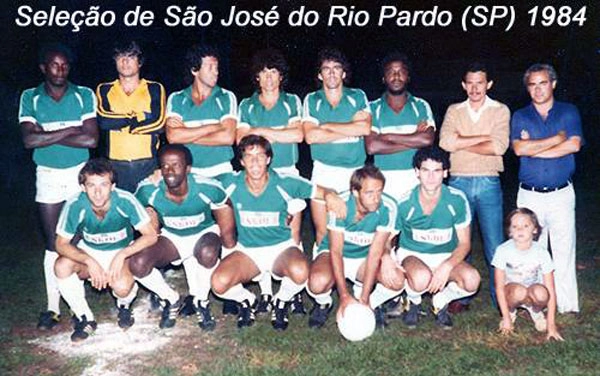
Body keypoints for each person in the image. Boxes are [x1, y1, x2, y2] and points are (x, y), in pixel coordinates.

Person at [211, 135, 343, 331]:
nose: (255, 162)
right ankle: (247, 300)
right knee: (219, 284)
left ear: (269, 159)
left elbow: (322, 191)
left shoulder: (286, 182)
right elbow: (195, 184)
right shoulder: (229, 182)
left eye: (260, 156)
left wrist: (331, 195)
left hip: (281, 248)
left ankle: (281, 300)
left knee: (301, 272)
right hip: (248, 251)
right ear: (241, 161)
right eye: (249, 156)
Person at [19, 43, 98, 330]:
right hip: (48, 173)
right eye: (54, 65)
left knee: (76, 238)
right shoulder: (30, 97)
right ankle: (52, 308)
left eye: (65, 65)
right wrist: (70, 130)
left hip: (79, 174)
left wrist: (47, 133)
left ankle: (79, 306)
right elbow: (29, 141)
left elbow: (91, 140)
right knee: (53, 243)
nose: (60, 70)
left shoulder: (83, 94)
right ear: (43, 68)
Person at [131, 144, 236, 330]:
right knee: (137, 263)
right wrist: (151, 221)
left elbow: (227, 209)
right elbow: (136, 215)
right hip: (172, 236)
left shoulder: (208, 187)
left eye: (176, 165)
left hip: (203, 233)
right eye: (164, 166)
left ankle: (201, 301)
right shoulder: (148, 189)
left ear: (187, 168)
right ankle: (171, 299)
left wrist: (229, 253)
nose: (169, 170)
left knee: (207, 251)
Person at [302, 47, 371, 323]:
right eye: (326, 69)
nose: (332, 74)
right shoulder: (312, 99)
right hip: (323, 172)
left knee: (354, 225)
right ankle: (323, 299)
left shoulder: (358, 96)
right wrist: (345, 125)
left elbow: (364, 129)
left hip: (353, 173)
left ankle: (356, 285)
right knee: (322, 233)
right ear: (320, 75)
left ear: (344, 72)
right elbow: (310, 138)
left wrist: (326, 128)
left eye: (336, 68)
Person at [53, 159, 157, 342]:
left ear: (113, 186)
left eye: (104, 185)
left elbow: (150, 235)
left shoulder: (125, 200)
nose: (98, 192)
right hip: (90, 250)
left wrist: (122, 254)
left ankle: (124, 305)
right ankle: (85, 317)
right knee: (61, 266)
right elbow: (61, 244)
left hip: (120, 250)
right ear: (83, 187)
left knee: (123, 288)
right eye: (91, 185)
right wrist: (89, 261)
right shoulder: (75, 204)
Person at [237, 48, 305, 315]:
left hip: (287, 172)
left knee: (292, 231)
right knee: (260, 229)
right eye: (264, 73)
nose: (269, 78)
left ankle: (293, 292)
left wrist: (260, 133)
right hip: (255, 175)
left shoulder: (292, 102)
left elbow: (298, 135)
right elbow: (241, 140)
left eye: (273, 72)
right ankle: (265, 292)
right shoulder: (247, 105)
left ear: (281, 76)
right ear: (257, 77)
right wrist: (278, 133)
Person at [511, 63, 583, 314]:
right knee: (531, 251)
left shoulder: (568, 111)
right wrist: (555, 140)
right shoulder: (520, 115)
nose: (538, 89)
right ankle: (534, 304)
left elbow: (573, 145)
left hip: (561, 194)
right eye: (532, 84)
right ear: (527, 88)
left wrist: (535, 147)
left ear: (553, 84)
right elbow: (519, 149)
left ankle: (566, 304)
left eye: (543, 83)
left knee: (564, 249)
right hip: (529, 195)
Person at [439, 62, 510, 311]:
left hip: (489, 180)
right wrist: (484, 138)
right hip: (458, 180)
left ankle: (500, 299)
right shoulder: (454, 110)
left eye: (480, 82)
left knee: (494, 245)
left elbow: (499, 146)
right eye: (470, 82)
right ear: (463, 85)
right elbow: (446, 141)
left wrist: (462, 141)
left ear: (488, 84)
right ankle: (460, 296)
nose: (475, 88)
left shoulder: (500, 110)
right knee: (461, 243)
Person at [395, 146, 480, 329]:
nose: (431, 177)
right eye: (425, 170)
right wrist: (389, 259)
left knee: (472, 280)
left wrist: (446, 266)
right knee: (420, 278)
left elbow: (465, 243)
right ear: (417, 172)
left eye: (437, 171)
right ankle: (413, 301)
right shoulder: (405, 201)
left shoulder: (457, 199)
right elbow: (389, 238)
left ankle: (441, 301)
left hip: (445, 255)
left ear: (446, 172)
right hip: (413, 253)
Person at [309, 165, 403, 329]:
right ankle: (323, 303)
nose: (376, 198)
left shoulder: (388, 206)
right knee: (317, 283)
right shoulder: (341, 204)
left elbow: (374, 254)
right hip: (334, 253)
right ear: (355, 192)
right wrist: (344, 295)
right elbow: (336, 252)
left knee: (397, 281)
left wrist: (366, 298)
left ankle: (368, 302)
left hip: (364, 258)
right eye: (369, 193)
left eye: (379, 191)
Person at [96, 40, 166, 192]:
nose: (125, 61)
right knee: (121, 212)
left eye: (131, 56)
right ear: (114, 61)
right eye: (120, 57)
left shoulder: (154, 88)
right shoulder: (104, 89)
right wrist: (140, 116)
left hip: (148, 164)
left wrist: (121, 122)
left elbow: (159, 123)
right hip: (115, 165)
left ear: (140, 62)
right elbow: (104, 121)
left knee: (149, 212)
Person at [365, 51, 435, 199]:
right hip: (383, 178)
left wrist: (387, 136)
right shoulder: (372, 108)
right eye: (391, 72)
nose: (396, 76)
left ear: (408, 77)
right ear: (384, 78)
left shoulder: (421, 105)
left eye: (401, 72)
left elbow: (427, 140)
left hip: (416, 177)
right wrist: (414, 138)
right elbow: (372, 147)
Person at [166, 44, 237, 178]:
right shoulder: (176, 98)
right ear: (194, 70)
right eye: (210, 67)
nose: (215, 72)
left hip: (221, 171)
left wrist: (186, 131)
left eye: (216, 67)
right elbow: (173, 137)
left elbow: (228, 137)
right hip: (188, 173)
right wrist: (212, 127)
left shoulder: (226, 97)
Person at [493, 208, 563, 341]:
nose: (520, 230)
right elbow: (499, 287)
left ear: (535, 229)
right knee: (518, 291)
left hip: (532, 292)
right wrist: (506, 317)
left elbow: (551, 290)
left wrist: (551, 325)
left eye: (525, 226)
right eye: (515, 226)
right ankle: (511, 313)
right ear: (510, 231)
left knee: (542, 293)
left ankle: (536, 312)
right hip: (512, 293)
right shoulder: (502, 251)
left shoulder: (542, 252)